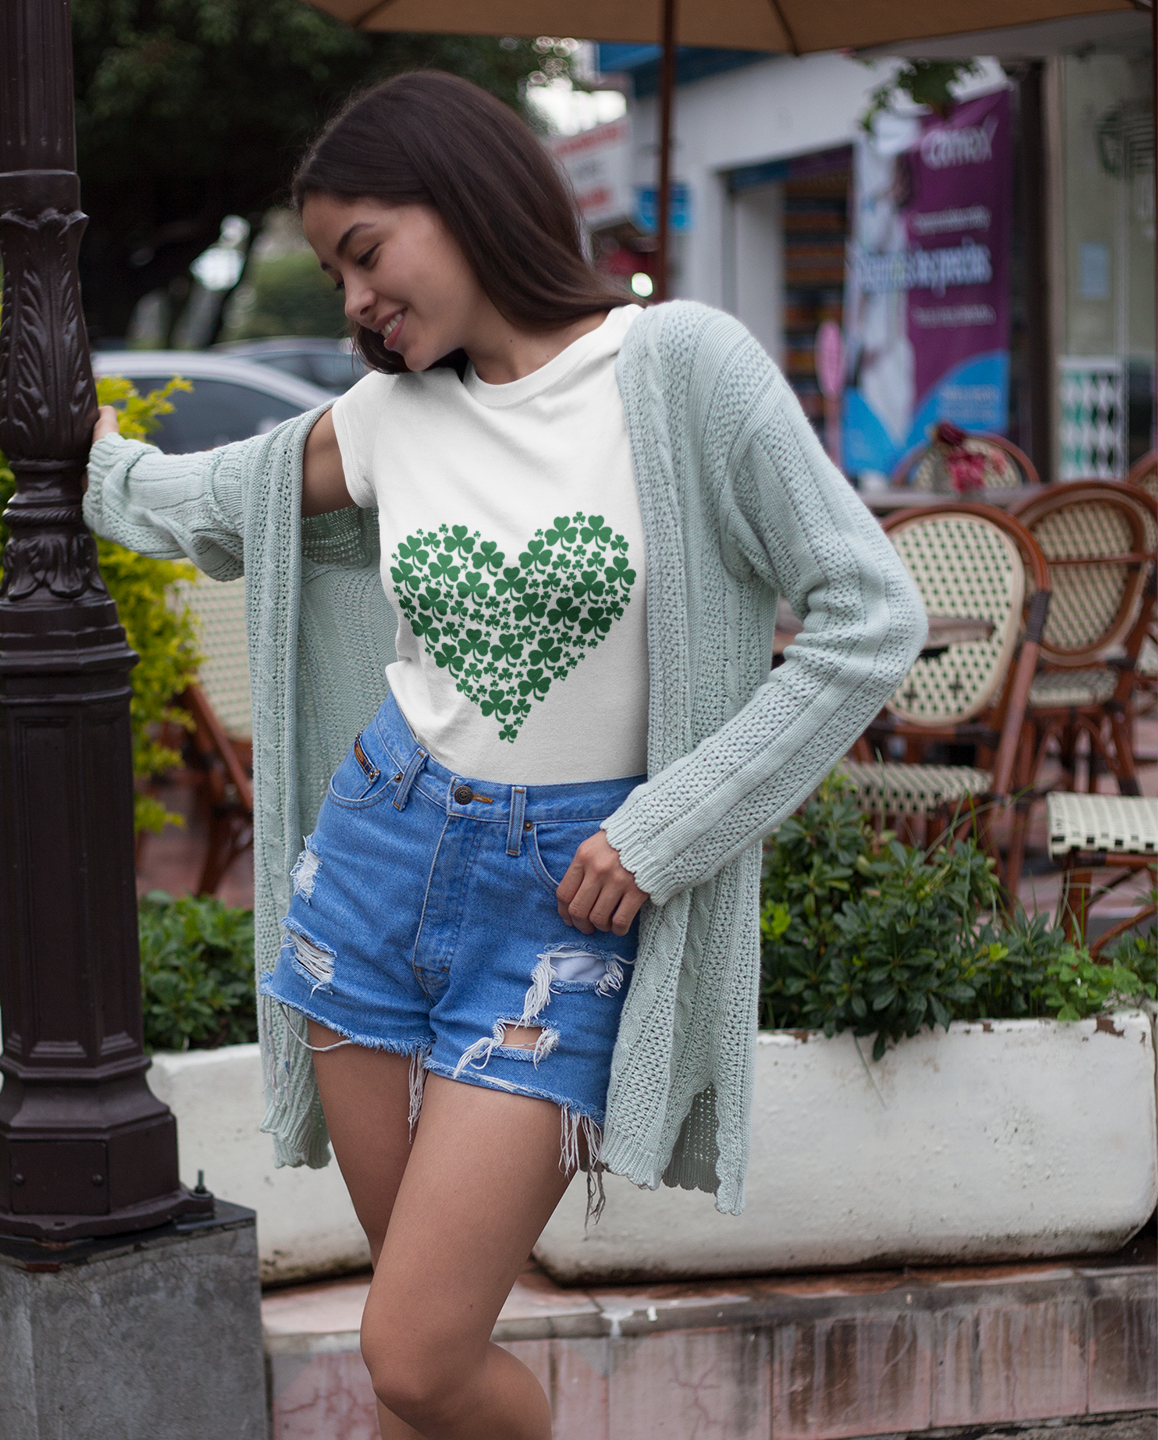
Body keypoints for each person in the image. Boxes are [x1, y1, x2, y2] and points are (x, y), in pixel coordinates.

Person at [86, 71, 923, 1440]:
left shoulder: (683, 370)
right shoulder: (388, 418)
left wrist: (667, 829)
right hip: (371, 865)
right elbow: (216, 504)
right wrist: (87, 457)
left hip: (569, 900)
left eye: (367, 253)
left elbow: (868, 616)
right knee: (422, 1356)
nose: (355, 299)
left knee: (416, 1358)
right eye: (334, 273)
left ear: (467, 199)